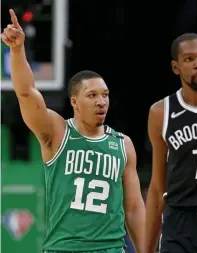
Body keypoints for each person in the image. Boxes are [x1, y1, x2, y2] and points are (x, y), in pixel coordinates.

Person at [1, 9, 146, 253]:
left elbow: (133, 208)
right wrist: (17, 50)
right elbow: (26, 93)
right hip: (63, 248)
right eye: (92, 95)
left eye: (105, 95)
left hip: (110, 249)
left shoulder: (123, 144)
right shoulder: (57, 132)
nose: (101, 101)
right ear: (75, 102)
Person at [145, 32, 197, 253]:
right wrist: (146, 249)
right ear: (175, 67)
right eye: (189, 59)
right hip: (180, 223)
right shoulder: (161, 112)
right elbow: (157, 188)